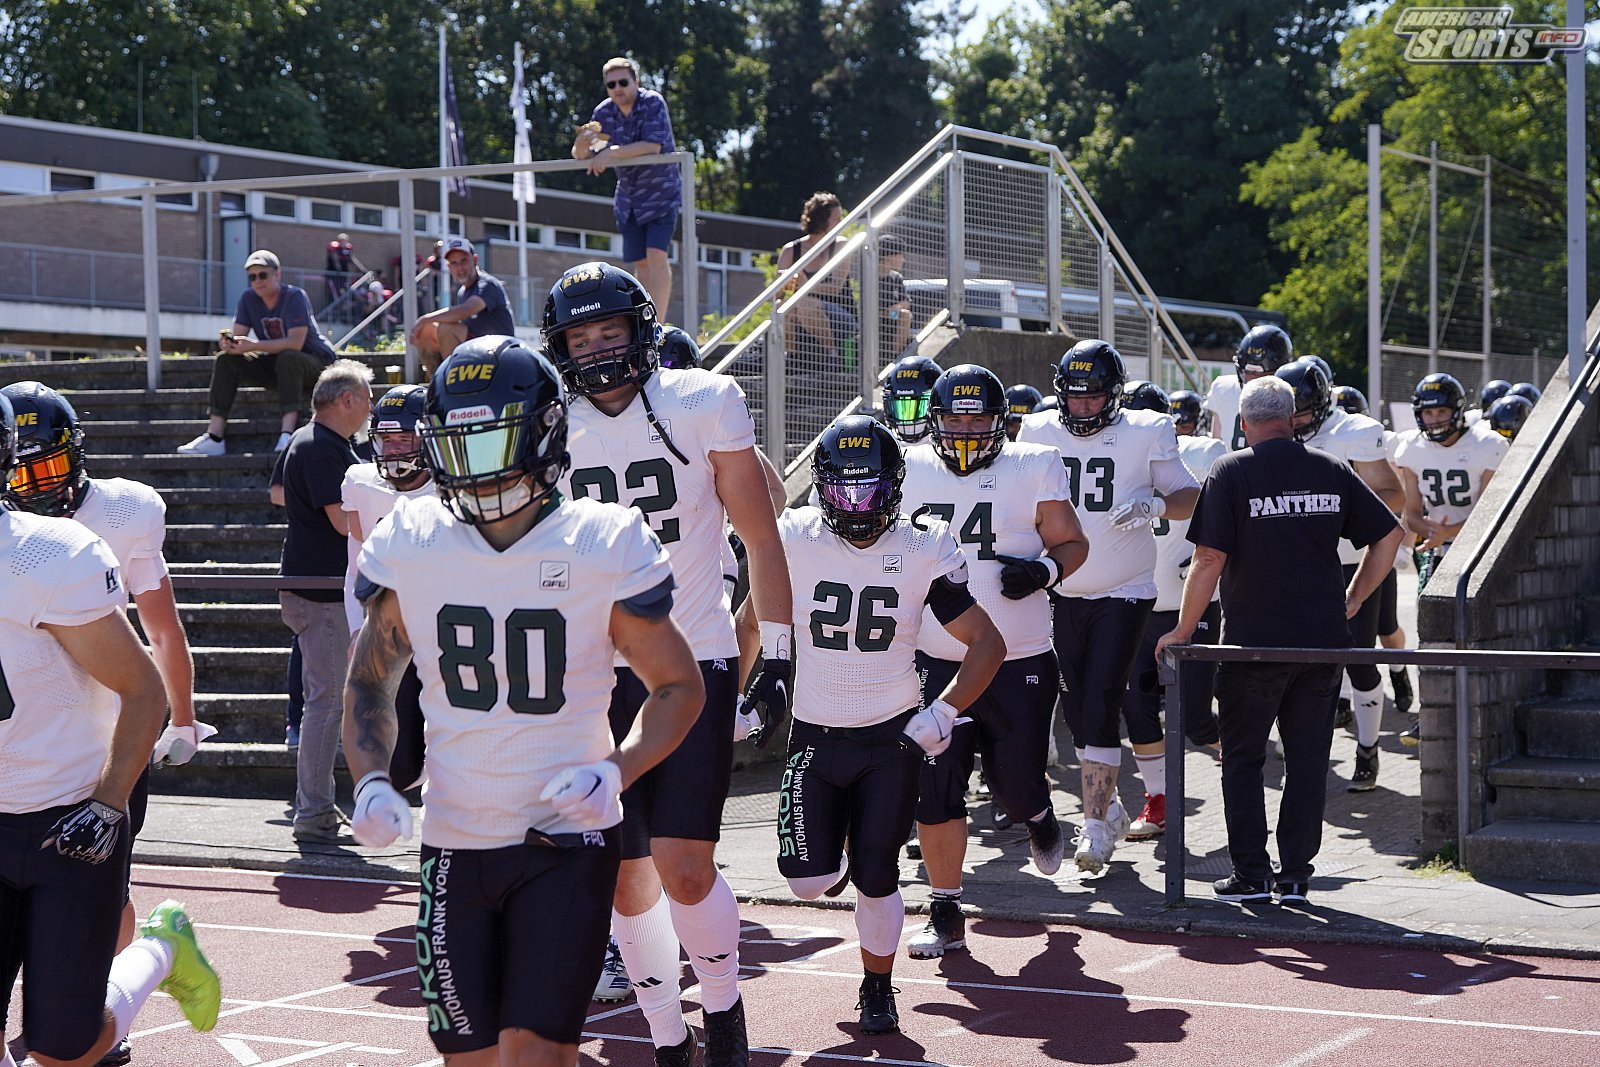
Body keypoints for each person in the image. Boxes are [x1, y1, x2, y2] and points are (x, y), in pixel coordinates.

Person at [341, 337, 704, 1067]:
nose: (476, 468)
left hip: (563, 840)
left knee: (537, 1057)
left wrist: (618, 769)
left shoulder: (600, 539)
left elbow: (678, 685)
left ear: (542, 433)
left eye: (493, 441)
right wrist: (371, 777)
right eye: (460, 445)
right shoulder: (410, 537)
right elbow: (369, 682)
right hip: (453, 842)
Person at [542, 263, 794, 1066]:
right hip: (591, 670)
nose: (595, 349)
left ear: (642, 329)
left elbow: (760, 532)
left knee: (686, 867)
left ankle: (721, 1009)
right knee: (623, 873)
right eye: (578, 338)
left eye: (609, 331)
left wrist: (778, 652)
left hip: (695, 655)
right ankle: (666, 1032)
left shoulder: (703, 399)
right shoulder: (548, 423)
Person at [761, 414, 1004, 1033]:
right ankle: (838, 847)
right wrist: (743, 695)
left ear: (894, 485)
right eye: (843, 489)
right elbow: (753, 617)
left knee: (878, 872)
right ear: (821, 486)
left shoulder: (924, 544)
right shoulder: (795, 534)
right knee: (808, 883)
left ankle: (877, 987)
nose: (855, 503)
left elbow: (987, 643)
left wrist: (944, 711)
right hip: (813, 731)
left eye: (867, 488)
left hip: (890, 735)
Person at [0, 392, 222, 1067]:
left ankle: (159, 950)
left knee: (63, 1046)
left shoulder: (49, 551)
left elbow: (147, 670)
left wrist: (107, 800)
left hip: (71, 795)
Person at [1156, 376, 1403, 905]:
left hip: (1253, 644)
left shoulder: (1230, 471)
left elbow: (1208, 559)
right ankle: (1296, 876)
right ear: (1293, 419)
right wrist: (1355, 596)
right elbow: (1390, 534)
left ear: (1244, 424)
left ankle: (1251, 874)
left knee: (1243, 760)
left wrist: (1180, 630)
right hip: (1321, 644)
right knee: (1308, 760)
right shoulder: (1330, 469)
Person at [899, 365, 1087, 959]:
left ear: (999, 420)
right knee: (935, 787)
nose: (963, 429)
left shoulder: (1032, 464)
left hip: (1019, 655)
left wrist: (1044, 571)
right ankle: (946, 909)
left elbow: (1073, 544)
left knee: (1014, 785)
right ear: (934, 416)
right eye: (953, 417)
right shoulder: (909, 466)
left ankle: (1039, 815)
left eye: (976, 417)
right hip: (936, 657)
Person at [1017, 340, 1200, 874]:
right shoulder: (1037, 430)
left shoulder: (1146, 429)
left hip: (1125, 590)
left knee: (1100, 700)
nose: (1082, 409)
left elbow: (1190, 496)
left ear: (1114, 396)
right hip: (1058, 591)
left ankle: (1093, 829)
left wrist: (1157, 504)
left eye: (1093, 399)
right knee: (1076, 711)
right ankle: (1111, 808)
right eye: (1073, 399)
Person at [1275, 359, 1405, 791]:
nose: (1295, 424)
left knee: (1358, 660)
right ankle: (1306, 754)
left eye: (1303, 414)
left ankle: (1368, 748)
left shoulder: (1353, 433)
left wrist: (1338, 514)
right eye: (1288, 416)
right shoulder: (1278, 428)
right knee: (1300, 665)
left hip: (1354, 562)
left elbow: (1392, 494)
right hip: (1300, 564)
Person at [1120, 379, 1227, 811]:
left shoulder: (1203, 454)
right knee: (1138, 709)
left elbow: (1214, 507)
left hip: (1189, 603)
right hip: (1132, 605)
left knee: (1197, 719)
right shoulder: (1108, 458)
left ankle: (1240, 753)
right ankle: (1159, 798)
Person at [279, 360, 373, 843]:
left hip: (315, 587)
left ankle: (318, 807)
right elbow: (343, 522)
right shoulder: (319, 447)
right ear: (347, 400)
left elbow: (279, 493)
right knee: (326, 705)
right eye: (368, 397)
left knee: (328, 702)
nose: (372, 407)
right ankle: (313, 811)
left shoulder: (318, 443)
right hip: (320, 593)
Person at [340, 385, 433, 797]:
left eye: (404, 438)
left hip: (448, 631)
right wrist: (357, 627)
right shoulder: (361, 483)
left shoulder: (457, 487)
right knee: (401, 765)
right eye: (386, 439)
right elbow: (355, 564)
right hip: (392, 633)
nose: (394, 450)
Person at [178, 250, 338, 457]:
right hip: (279, 367)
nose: (257, 281)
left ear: (277, 274)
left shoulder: (295, 296)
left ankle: (287, 433)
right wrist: (231, 344)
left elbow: (295, 343)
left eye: (263, 275)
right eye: (252, 277)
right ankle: (215, 436)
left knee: (289, 357)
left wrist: (253, 345)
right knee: (227, 360)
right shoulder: (248, 298)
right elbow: (239, 336)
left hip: (317, 366)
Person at [572, 57, 681, 314]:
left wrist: (611, 153)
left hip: (660, 193)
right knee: (640, 263)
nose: (617, 88)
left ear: (636, 81)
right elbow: (582, 155)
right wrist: (583, 143)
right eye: (611, 84)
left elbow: (652, 146)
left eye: (623, 82)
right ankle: (645, 320)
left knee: (656, 255)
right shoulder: (603, 112)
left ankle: (659, 326)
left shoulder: (652, 102)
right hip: (628, 199)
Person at [408, 237, 515, 380]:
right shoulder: (462, 292)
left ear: (475, 260)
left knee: (445, 328)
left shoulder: (488, 284)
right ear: (449, 267)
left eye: (464, 260)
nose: (459, 267)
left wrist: (425, 318)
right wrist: (424, 325)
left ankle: (450, 382)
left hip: (500, 353)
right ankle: (437, 379)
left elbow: (466, 310)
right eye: (454, 263)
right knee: (426, 330)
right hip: (476, 351)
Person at [774, 192, 856, 365]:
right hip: (801, 312)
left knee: (804, 302)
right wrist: (786, 282)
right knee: (781, 306)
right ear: (821, 219)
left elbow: (835, 288)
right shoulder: (791, 250)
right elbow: (777, 295)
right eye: (837, 218)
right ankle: (791, 357)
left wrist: (804, 286)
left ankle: (832, 356)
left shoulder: (841, 245)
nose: (841, 223)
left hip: (840, 315)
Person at [1204, 324, 1294, 451]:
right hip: (1232, 469)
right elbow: (1216, 444)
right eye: (1249, 373)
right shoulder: (1223, 388)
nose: (1253, 380)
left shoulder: (1291, 393)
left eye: (1262, 375)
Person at [882, 355, 944, 444]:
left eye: (920, 409)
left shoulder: (948, 447)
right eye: (901, 409)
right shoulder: (884, 445)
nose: (908, 424)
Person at [878, 234, 912, 359]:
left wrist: (896, 307)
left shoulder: (896, 277)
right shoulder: (869, 277)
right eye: (900, 255)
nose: (903, 260)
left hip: (893, 317)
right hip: (874, 321)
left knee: (905, 314)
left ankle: (895, 357)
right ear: (888, 258)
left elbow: (906, 301)